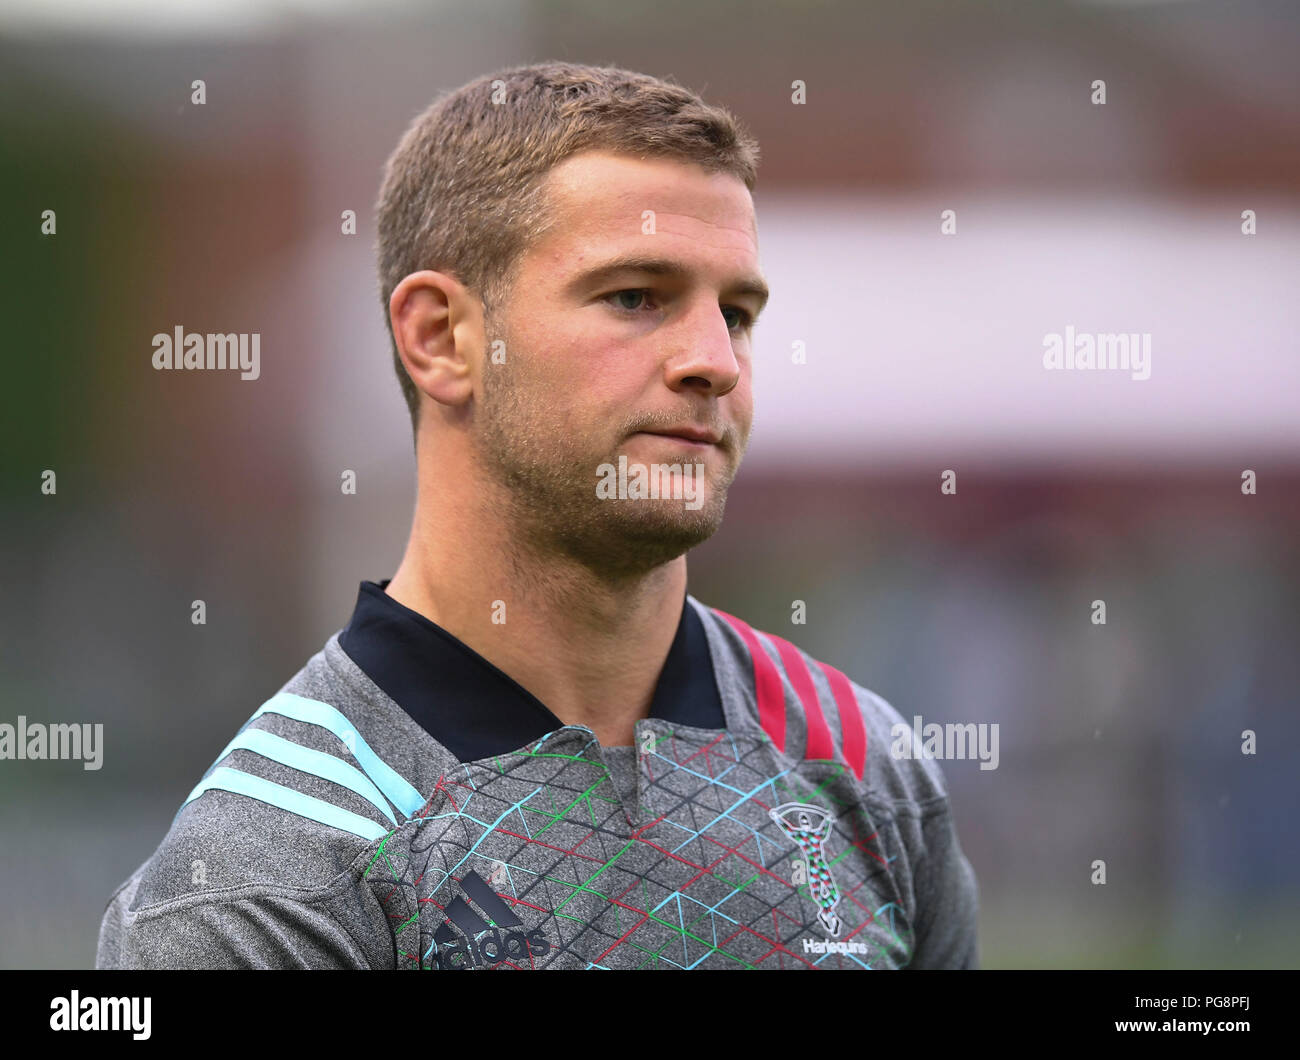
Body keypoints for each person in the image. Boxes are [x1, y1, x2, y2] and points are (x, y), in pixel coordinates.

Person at [96, 60, 979, 970]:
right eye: (635, 296)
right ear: (441, 338)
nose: (715, 360)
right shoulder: (260, 884)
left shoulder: (863, 763)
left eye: (739, 312)